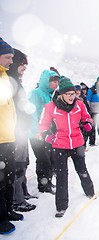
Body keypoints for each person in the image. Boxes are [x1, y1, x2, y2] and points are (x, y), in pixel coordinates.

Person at [39, 78, 95, 218]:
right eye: (68, 94)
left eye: (73, 94)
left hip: (77, 142)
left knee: (82, 169)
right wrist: (45, 134)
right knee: (62, 175)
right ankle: (61, 206)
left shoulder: (79, 105)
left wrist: (88, 123)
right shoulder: (50, 107)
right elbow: (43, 124)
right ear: (61, 94)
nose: (72, 97)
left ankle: (90, 192)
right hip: (60, 144)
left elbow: (87, 117)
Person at [7, 48, 37, 212]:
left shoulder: (17, 83)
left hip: (22, 130)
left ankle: (23, 192)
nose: (24, 68)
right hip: (15, 132)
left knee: (24, 163)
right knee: (17, 166)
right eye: (22, 64)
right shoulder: (9, 83)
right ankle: (16, 199)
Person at [0, 37, 24, 235]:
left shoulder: (5, 78)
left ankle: (7, 211)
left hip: (8, 137)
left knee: (7, 178)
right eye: (8, 57)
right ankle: (0, 219)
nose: (10, 61)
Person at [28, 68, 60, 194]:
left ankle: (48, 181)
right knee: (43, 160)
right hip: (37, 135)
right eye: (53, 82)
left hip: (47, 133)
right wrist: (36, 132)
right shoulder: (36, 94)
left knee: (50, 158)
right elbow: (32, 114)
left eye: (57, 82)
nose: (56, 84)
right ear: (46, 81)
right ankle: (43, 186)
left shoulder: (49, 95)